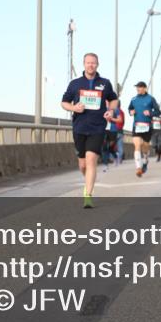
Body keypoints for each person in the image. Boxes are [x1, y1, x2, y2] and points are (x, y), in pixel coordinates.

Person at [60, 53, 118, 209]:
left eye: (93, 63)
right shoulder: (75, 84)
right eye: (88, 63)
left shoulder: (105, 83)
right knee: (83, 164)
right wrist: (74, 108)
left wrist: (111, 111)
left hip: (97, 127)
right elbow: (64, 102)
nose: (91, 65)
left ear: (97, 64)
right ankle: (88, 181)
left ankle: (88, 195)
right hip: (79, 127)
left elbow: (113, 99)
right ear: (84, 64)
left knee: (91, 160)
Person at [127, 81, 161, 177]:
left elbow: (158, 111)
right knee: (137, 145)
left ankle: (145, 159)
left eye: (140, 87)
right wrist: (131, 112)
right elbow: (130, 109)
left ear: (145, 88)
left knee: (145, 147)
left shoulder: (150, 99)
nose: (138, 88)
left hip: (147, 126)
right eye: (137, 87)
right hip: (136, 126)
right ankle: (138, 167)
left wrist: (150, 113)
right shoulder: (133, 99)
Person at [103, 101, 125, 170]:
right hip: (104, 130)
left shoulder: (116, 110)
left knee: (111, 147)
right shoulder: (102, 108)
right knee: (104, 147)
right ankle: (105, 164)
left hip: (113, 130)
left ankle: (115, 157)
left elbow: (120, 120)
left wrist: (111, 119)